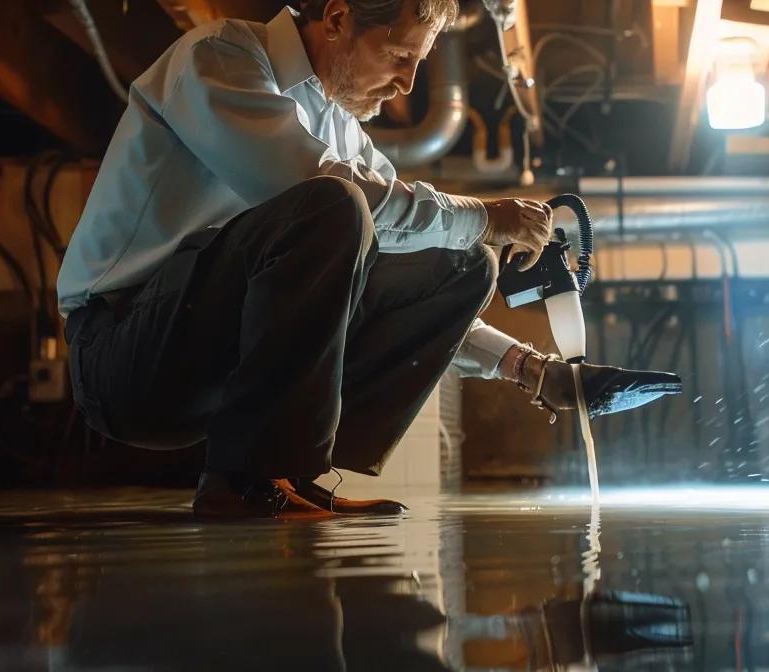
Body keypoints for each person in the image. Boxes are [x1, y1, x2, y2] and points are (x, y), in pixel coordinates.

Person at [57, 0, 680, 519]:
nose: (409, 83)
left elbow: (404, 264)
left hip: (209, 364)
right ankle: (251, 476)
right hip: (123, 356)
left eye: (420, 62)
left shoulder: (340, 127)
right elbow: (310, 184)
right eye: (400, 56)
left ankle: (296, 474)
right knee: (335, 205)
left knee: (461, 264)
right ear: (336, 18)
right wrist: (486, 217)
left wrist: (532, 370)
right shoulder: (219, 58)